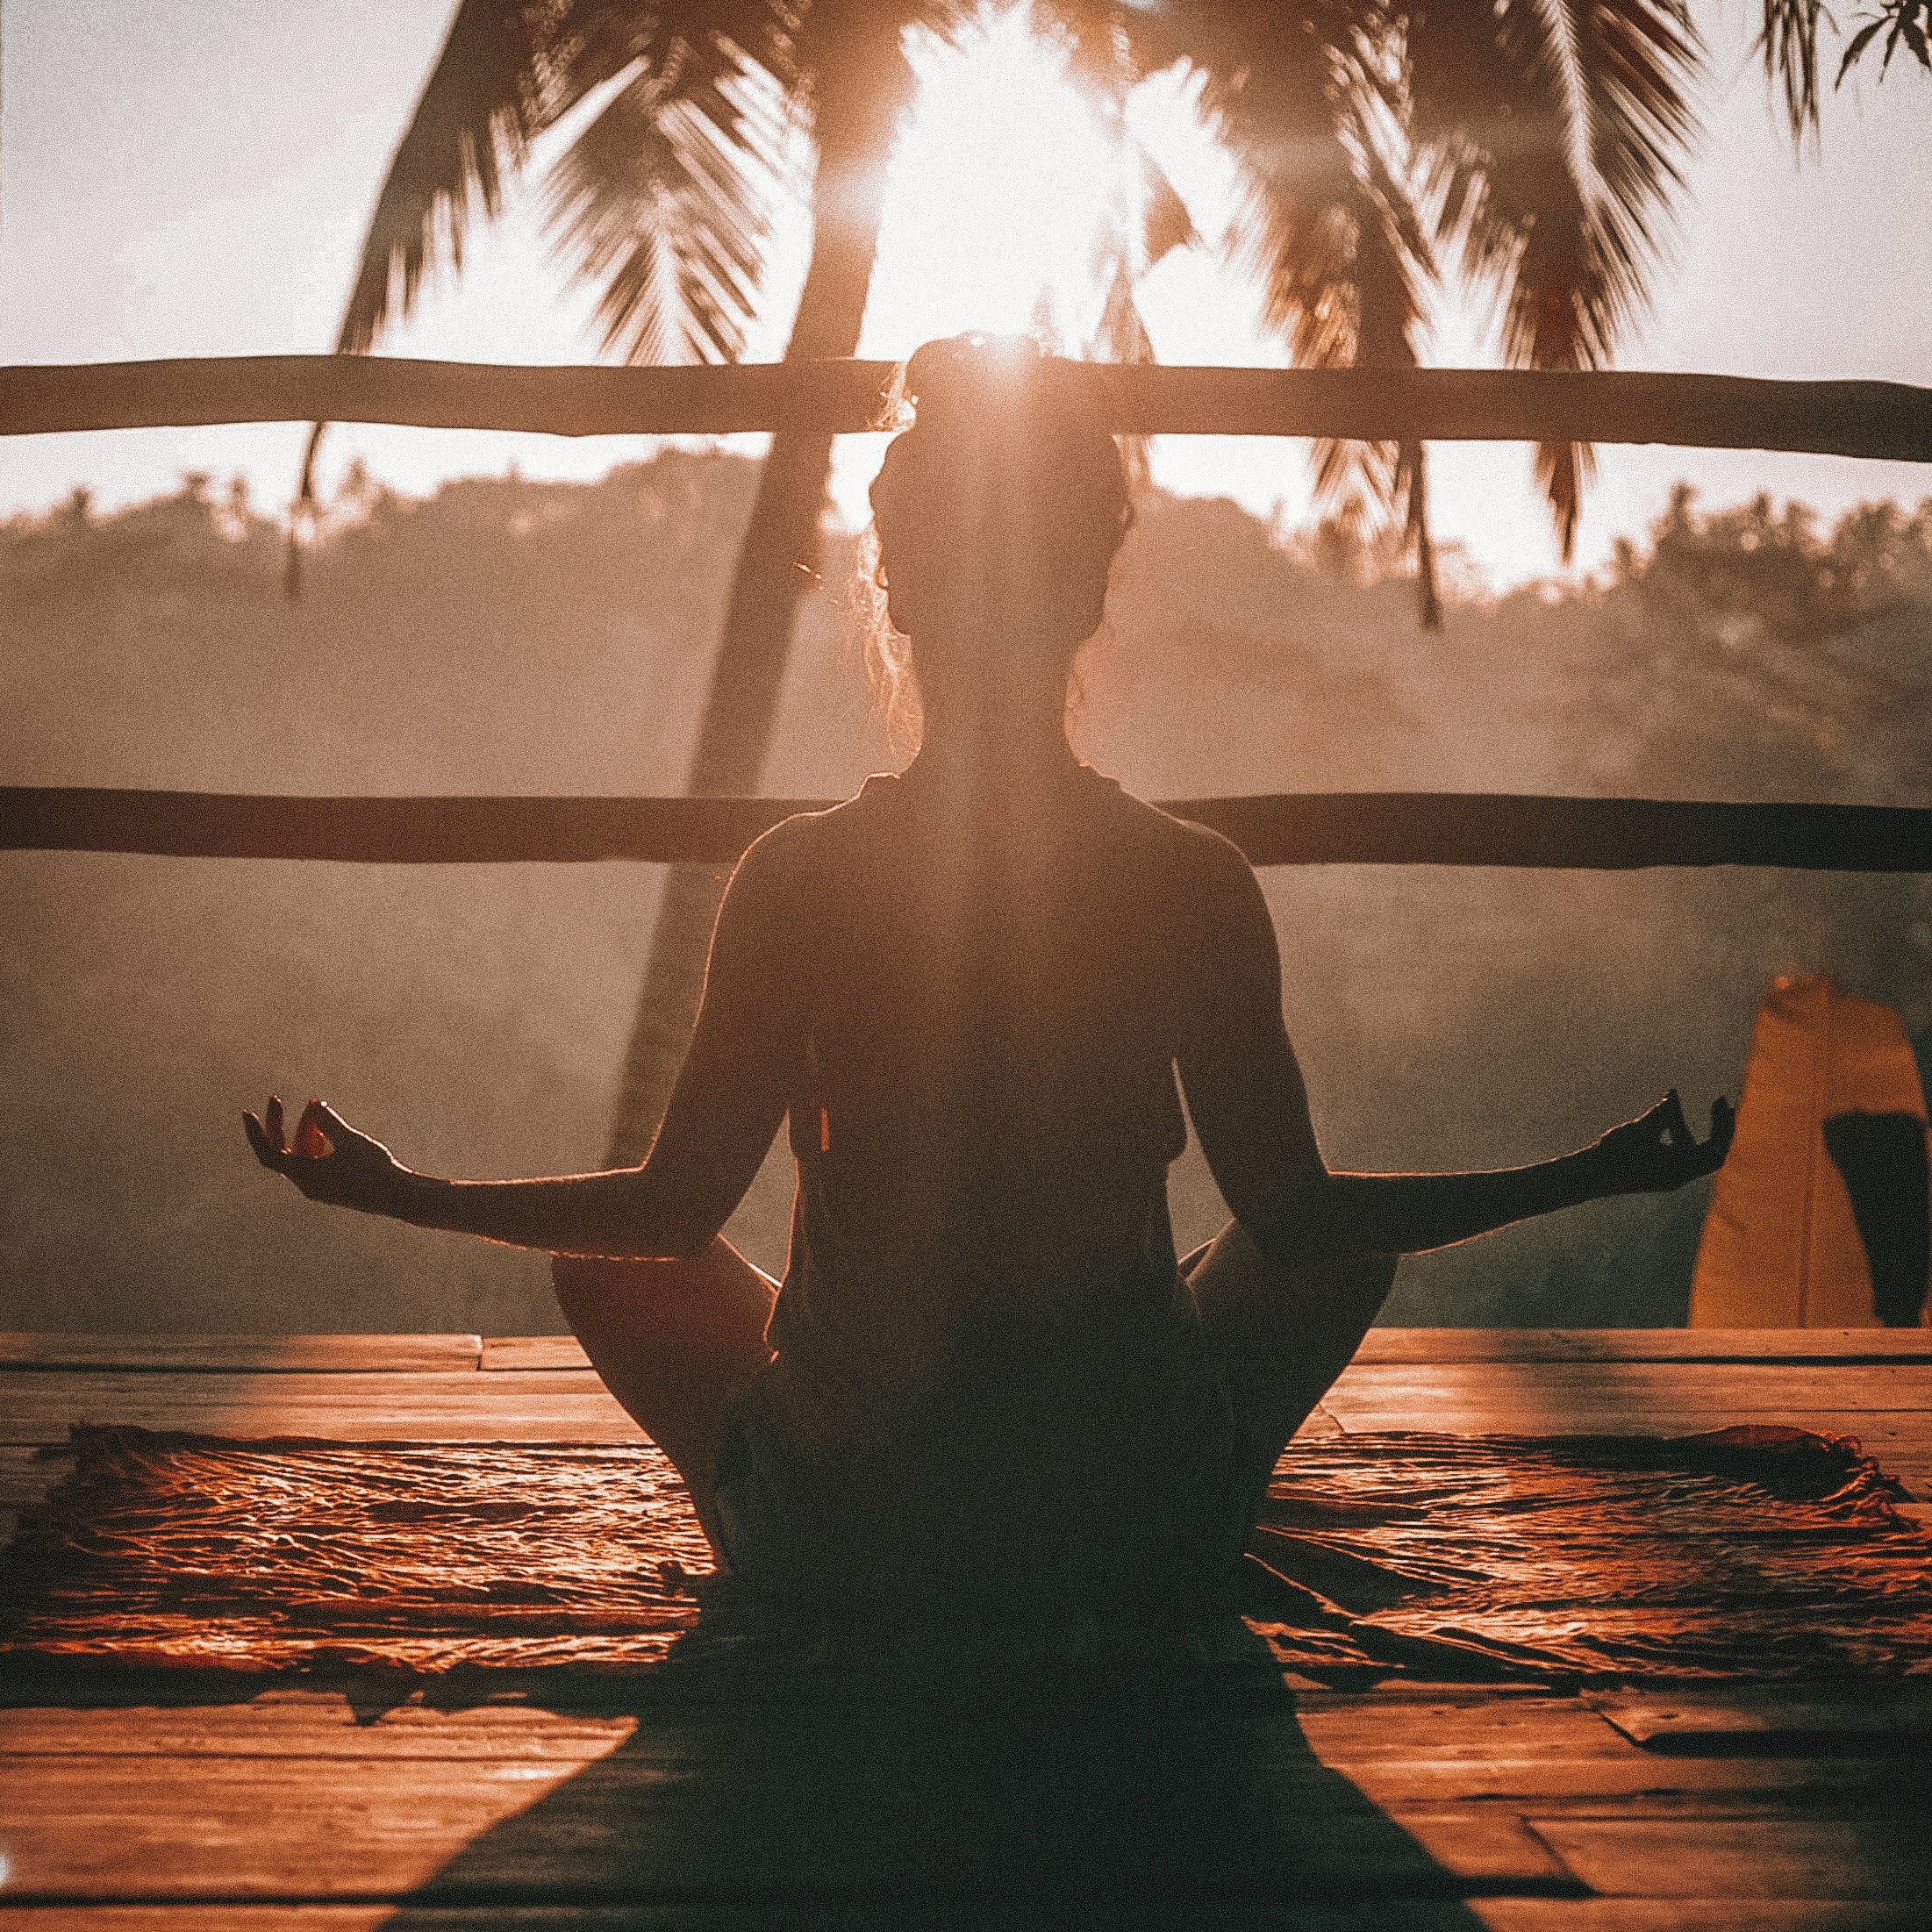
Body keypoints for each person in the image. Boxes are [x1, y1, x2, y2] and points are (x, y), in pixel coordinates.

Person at [247, 334, 1733, 1626]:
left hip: (852, 1540)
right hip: (1127, 1529)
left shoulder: (799, 876)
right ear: (1087, 595)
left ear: (896, 593)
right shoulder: (1187, 877)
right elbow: (1298, 1217)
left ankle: (796, 1514)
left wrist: (398, 1189)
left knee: (610, 1265)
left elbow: (665, 1214)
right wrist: (1589, 1171)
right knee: (1334, 1247)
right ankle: (1187, 1498)